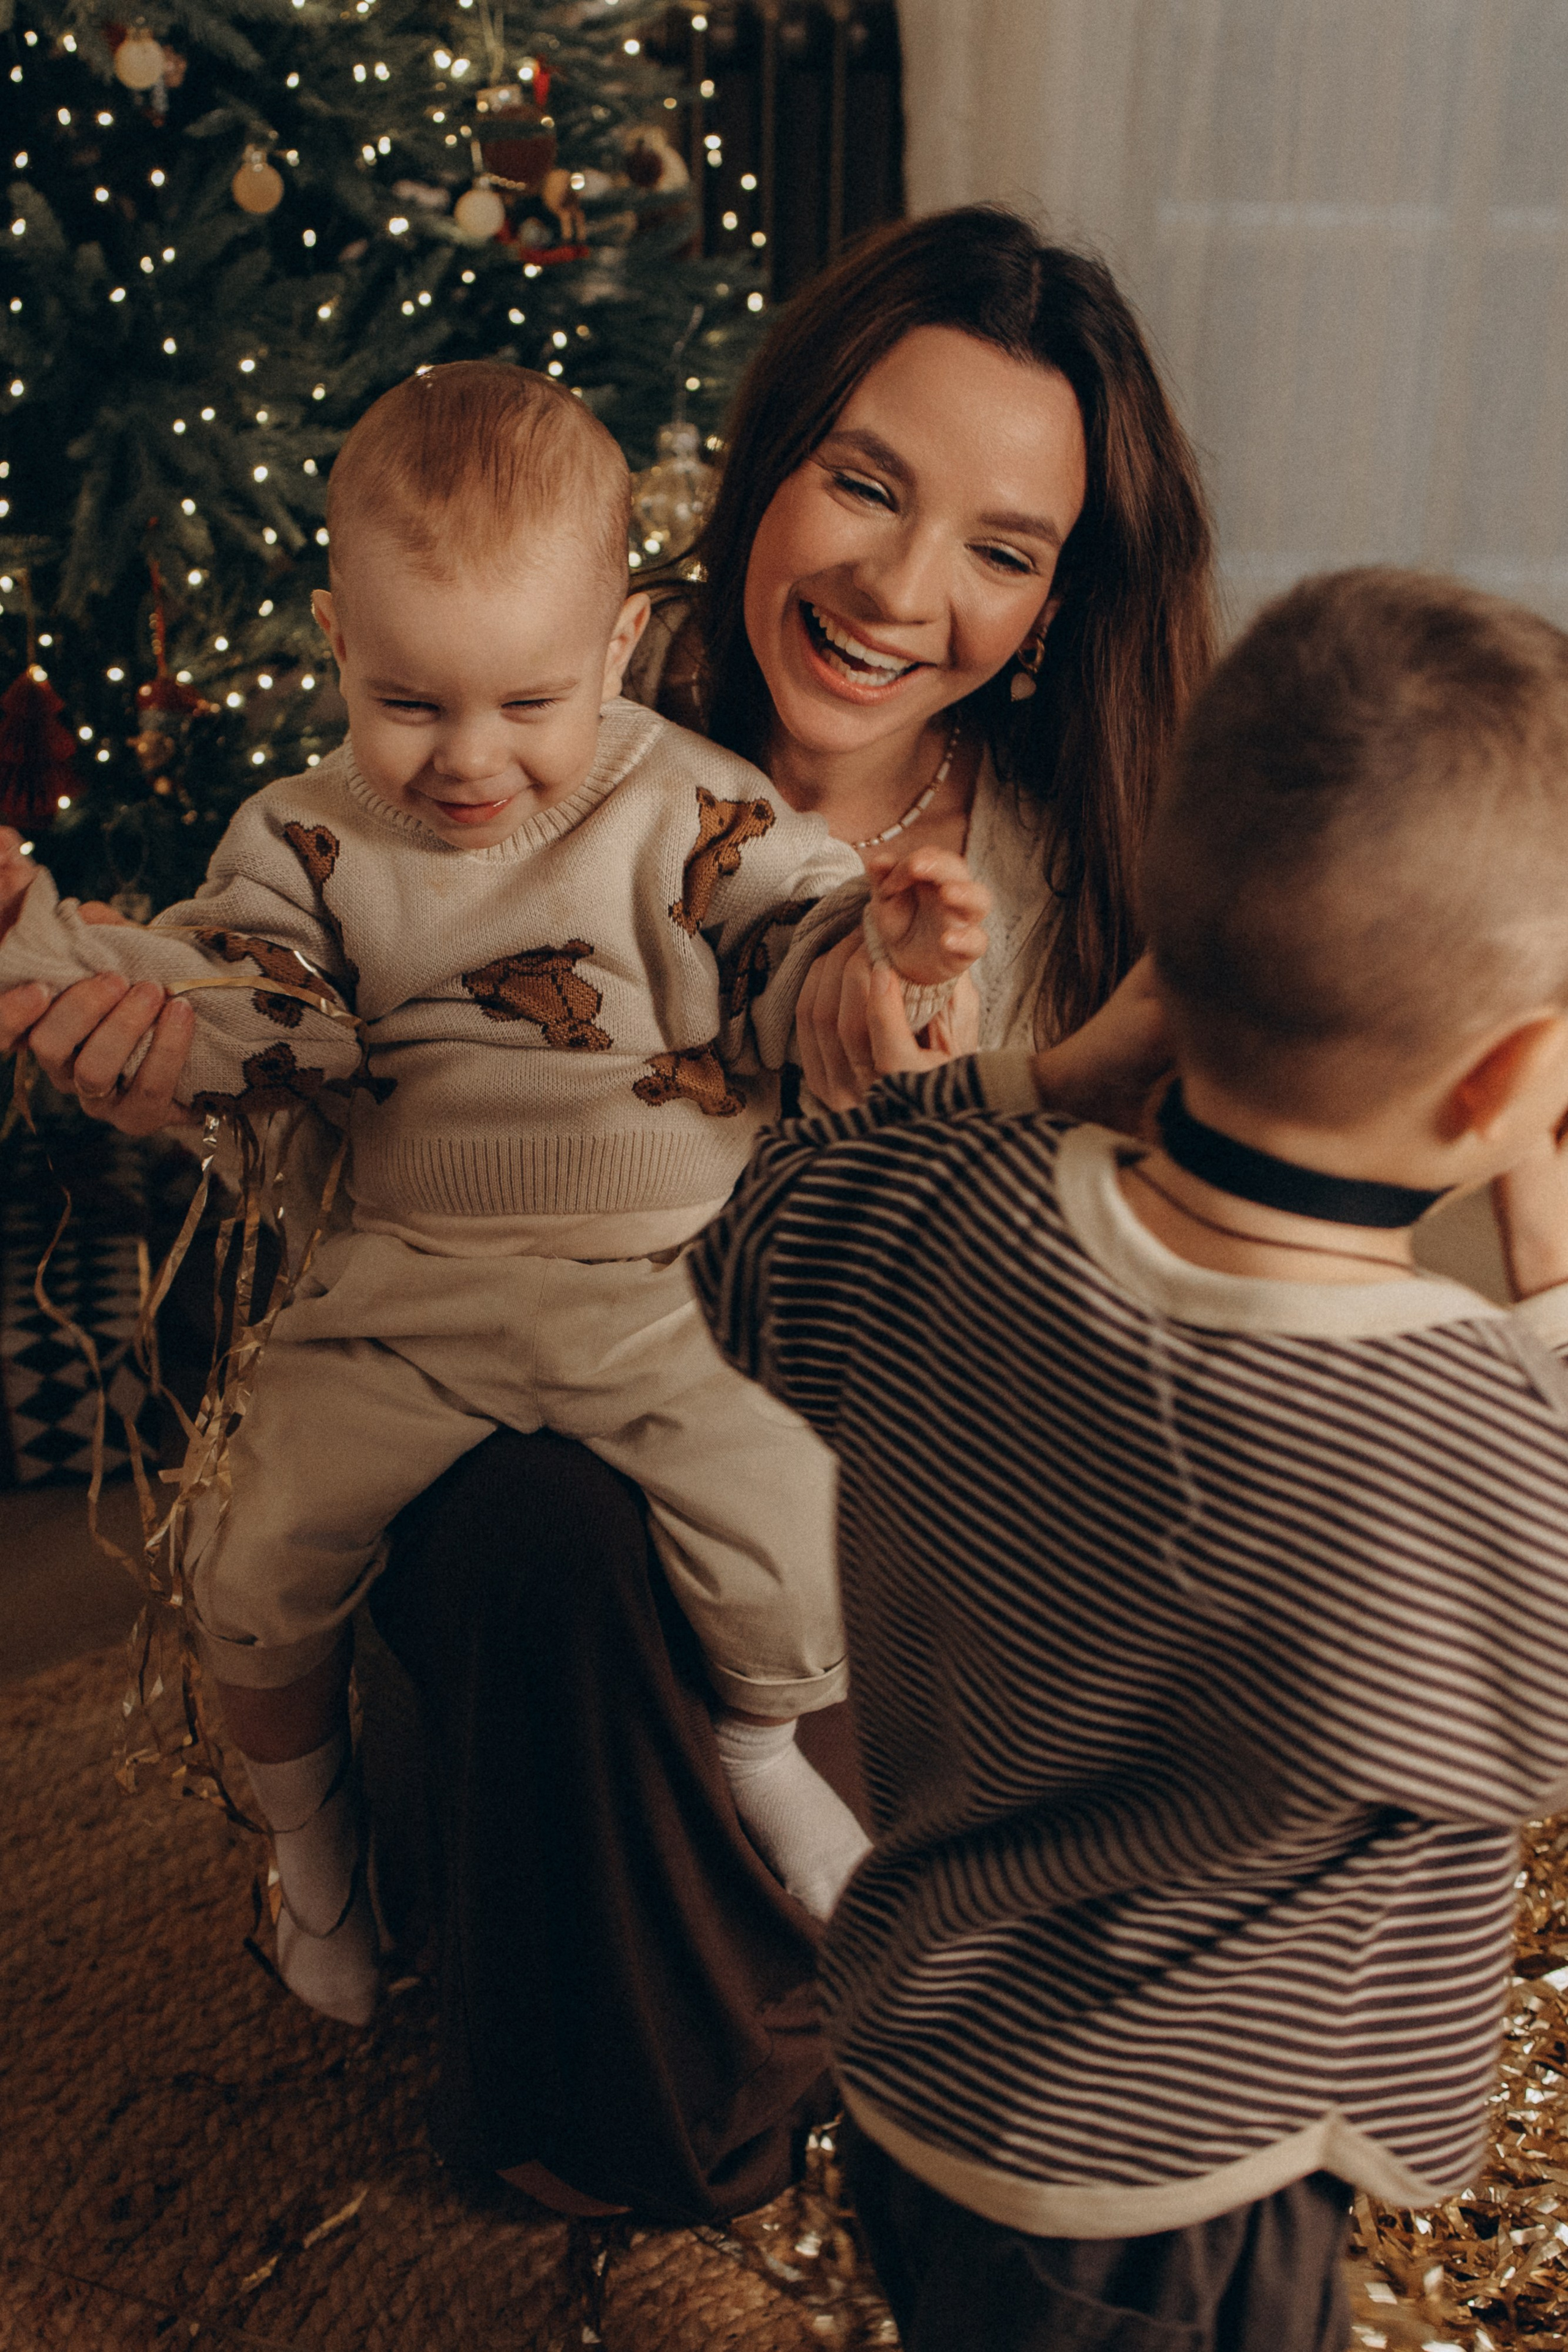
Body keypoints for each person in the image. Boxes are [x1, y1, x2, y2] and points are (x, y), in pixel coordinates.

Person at [0, 209, 1213, 2214]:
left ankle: (805, 1941)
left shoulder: (1072, 865)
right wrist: (154, 1041)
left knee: (791, 1552)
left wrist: (905, 1034)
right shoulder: (534, 684)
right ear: (758, 474)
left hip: (875, 1474)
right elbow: (301, 1015)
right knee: (550, 1537)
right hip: (493, 1389)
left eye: (1002, 549)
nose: (905, 588)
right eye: (866, 484)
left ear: (1064, 601)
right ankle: (607, 2074)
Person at [0, 361, 989, 2022]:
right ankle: (312, 1842)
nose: (469, 764)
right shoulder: (304, 835)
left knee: (798, 1536)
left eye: (531, 706)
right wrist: (71, 971)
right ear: (333, 637)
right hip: (407, 1286)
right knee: (250, 1565)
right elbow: (253, 1006)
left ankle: (760, 1757)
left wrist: (882, 948)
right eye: (410, 701)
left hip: (673, 1280)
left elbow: (794, 935)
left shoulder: (683, 797)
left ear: (614, 646)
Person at [688, 566, 1568, 2350]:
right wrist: (1547, 1264)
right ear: (1505, 1089)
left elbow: (756, 1242)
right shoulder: (1457, 1428)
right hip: (1167, 2188)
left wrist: (1045, 1076)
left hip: (924, 2060)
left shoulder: (955, 1206)